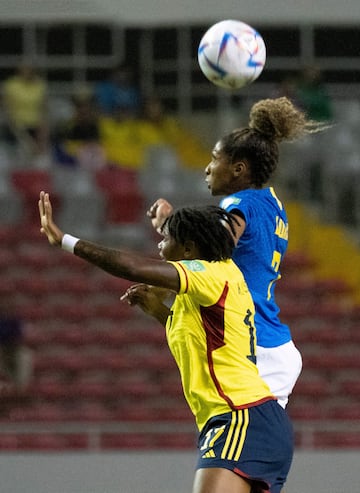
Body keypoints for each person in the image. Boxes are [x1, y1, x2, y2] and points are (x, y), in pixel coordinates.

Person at [39, 192, 293, 493]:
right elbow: (201, 341)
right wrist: (158, 310)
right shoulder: (217, 282)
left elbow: (132, 267)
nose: (160, 245)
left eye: (166, 238)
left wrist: (65, 241)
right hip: (253, 420)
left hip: (240, 417)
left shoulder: (207, 274)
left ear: (189, 249)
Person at [147, 97, 327, 409]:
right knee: (251, 449)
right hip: (272, 343)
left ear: (238, 169)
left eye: (215, 158)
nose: (207, 167)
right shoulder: (274, 205)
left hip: (253, 345)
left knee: (234, 445)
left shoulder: (237, 205)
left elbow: (211, 252)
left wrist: (167, 226)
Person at [1, 62, 49, 167]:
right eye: (24, 69)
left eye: (29, 70)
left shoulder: (39, 85)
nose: (27, 72)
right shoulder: (11, 85)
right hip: (14, 127)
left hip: (35, 127)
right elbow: (6, 108)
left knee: (37, 158)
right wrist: (22, 135)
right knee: (19, 158)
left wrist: (41, 138)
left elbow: (44, 110)